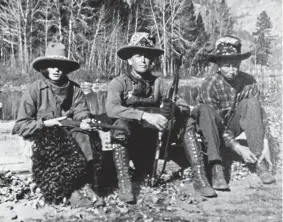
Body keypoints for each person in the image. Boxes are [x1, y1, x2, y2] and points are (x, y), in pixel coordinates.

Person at [106, 32, 217, 204]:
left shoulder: (160, 83)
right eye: (138, 56)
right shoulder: (119, 83)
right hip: (133, 137)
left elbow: (183, 105)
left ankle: (200, 177)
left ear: (152, 60)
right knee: (119, 126)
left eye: (147, 56)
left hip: (157, 136)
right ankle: (125, 183)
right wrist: (144, 115)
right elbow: (111, 109)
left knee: (186, 123)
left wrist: (174, 109)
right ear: (129, 60)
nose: (143, 60)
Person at [12, 42, 103, 206]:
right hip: (41, 136)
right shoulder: (34, 90)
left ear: (65, 69)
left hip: (70, 133)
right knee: (56, 143)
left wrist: (85, 120)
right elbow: (20, 125)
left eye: (60, 66)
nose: (56, 70)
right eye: (52, 66)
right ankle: (68, 191)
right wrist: (46, 124)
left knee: (88, 138)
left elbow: (81, 110)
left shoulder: (75, 89)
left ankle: (87, 184)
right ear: (45, 68)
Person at [196, 35, 276, 190]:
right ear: (218, 65)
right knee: (206, 112)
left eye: (235, 65)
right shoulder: (210, 84)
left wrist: (265, 143)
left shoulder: (249, 81)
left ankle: (258, 159)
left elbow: (260, 116)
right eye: (227, 65)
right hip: (213, 130)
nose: (232, 70)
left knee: (252, 103)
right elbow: (217, 125)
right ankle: (216, 168)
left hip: (232, 126)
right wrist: (238, 148)